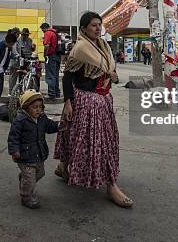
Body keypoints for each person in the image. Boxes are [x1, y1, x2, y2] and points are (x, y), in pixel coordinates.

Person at [54, 11, 133, 208]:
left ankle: (65, 167)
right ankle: (111, 186)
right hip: (85, 101)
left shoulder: (104, 46)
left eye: (99, 24)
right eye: (93, 25)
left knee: (93, 139)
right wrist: (68, 102)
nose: (98, 28)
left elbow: (109, 71)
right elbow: (68, 76)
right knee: (90, 141)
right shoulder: (80, 48)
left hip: (103, 100)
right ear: (83, 28)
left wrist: (113, 76)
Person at [7, 90, 61, 209]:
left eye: (40, 107)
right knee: (30, 180)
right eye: (34, 107)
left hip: (38, 153)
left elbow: (49, 126)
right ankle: (26, 197)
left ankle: (24, 179)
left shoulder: (42, 118)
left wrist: (58, 125)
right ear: (26, 107)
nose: (38, 110)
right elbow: (13, 137)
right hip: (24, 156)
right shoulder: (20, 120)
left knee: (40, 173)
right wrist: (14, 150)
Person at [0, 32, 17, 119]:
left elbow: (13, 55)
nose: (12, 46)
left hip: (1, 71)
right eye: (12, 44)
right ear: (9, 42)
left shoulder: (8, 48)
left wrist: (19, 57)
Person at [9, 28, 33, 95]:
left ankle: (22, 90)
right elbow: (14, 51)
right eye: (24, 35)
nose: (26, 36)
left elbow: (31, 50)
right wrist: (19, 57)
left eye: (27, 35)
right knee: (14, 77)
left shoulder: (30, 40)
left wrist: (33, 48)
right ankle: (11, 92)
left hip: (26, 60)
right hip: (17, 61)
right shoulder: (17, 40)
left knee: (24, 76)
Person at [40, 23, 61, 101]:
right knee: (55, 75)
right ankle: (57, 92)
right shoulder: (56, 33)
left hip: (51, 56)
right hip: (58, 56)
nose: (43, 32)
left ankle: (51, 94)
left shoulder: (48, 33)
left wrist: (45, 55)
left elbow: (46, 45)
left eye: (42, 30)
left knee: (50, 75)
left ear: (45, 28)